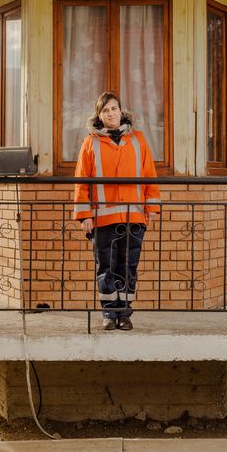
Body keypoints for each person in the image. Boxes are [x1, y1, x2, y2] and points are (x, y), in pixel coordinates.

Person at [74, 92, 160, 331]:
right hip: (103, 218)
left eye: (113, 109)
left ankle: (125, 314)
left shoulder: (138, 140)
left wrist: (151, 208)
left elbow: (150, 176)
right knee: (107, 267)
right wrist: (85, 216)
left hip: (133, 216)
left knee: (128, 266)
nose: (110, 114)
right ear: (99, 116)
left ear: (121, 111)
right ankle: (109, 313)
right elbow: (82, 181)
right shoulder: (90, 142)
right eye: (105, 111)